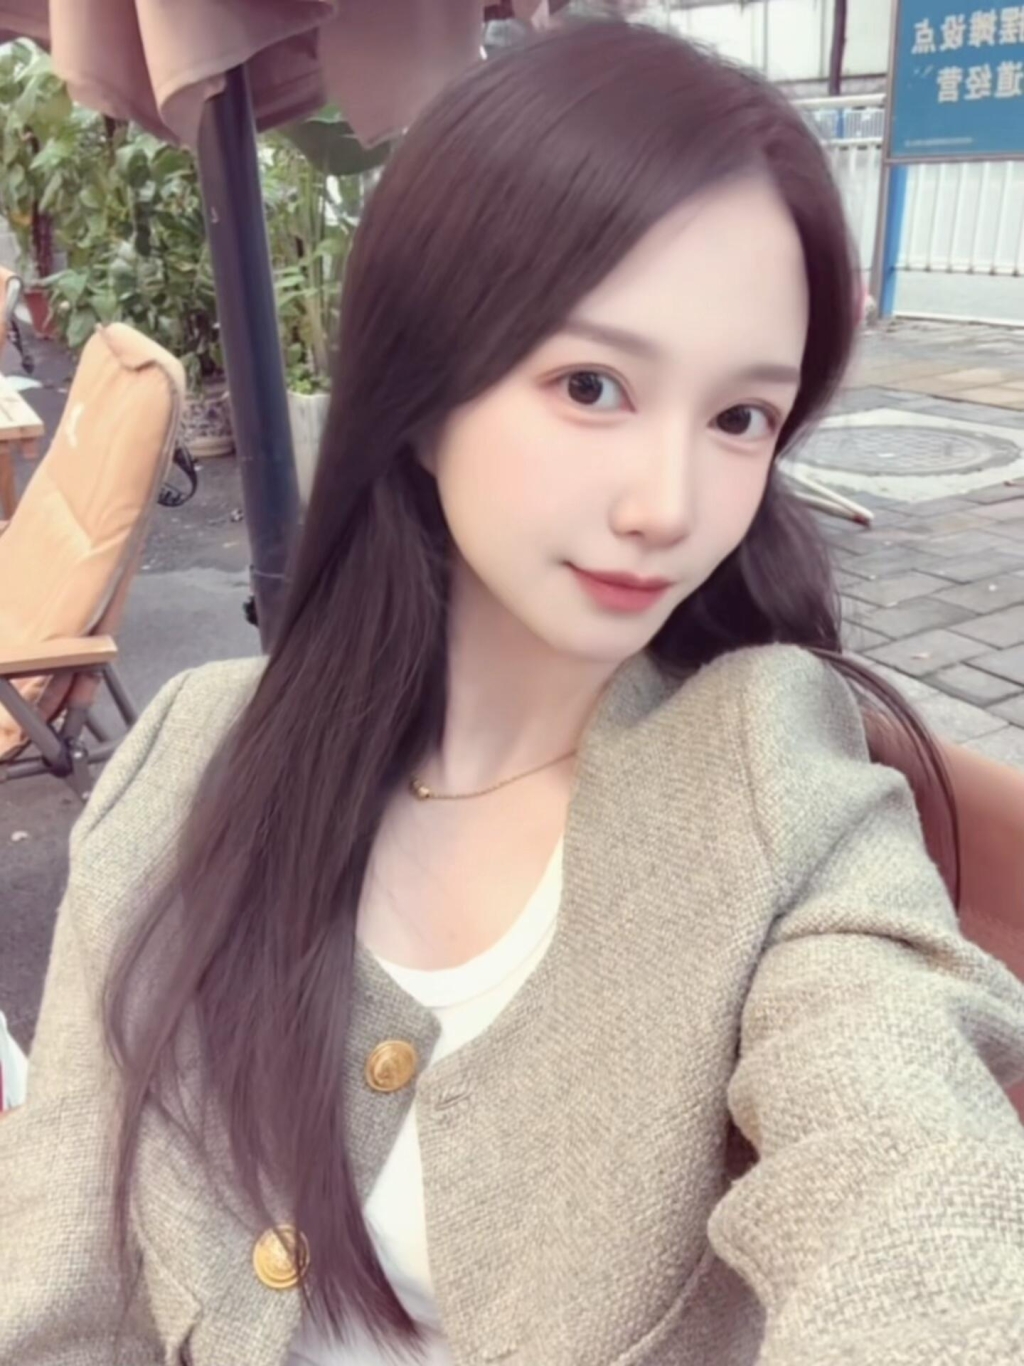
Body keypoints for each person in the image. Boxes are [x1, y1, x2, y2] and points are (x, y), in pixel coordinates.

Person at [3, 22, 1024, 1366]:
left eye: (740, 417)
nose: (668, 505)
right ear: (424, 391)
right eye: (592, 386)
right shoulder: (189, 759)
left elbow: (906, 1157)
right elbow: (53, 1279)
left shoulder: (773, 779)